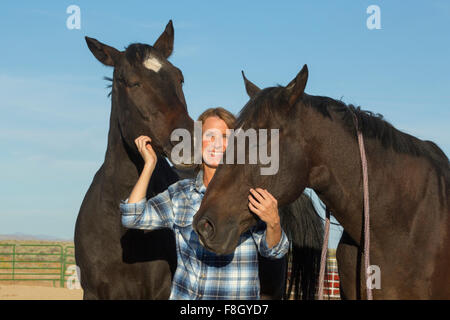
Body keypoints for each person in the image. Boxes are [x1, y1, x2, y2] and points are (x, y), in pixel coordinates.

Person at [119, 107, 289, 300]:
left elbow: (275, 251)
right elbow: (132, 217)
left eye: (225, 137)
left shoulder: (249, 195)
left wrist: (273, 222)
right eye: (210, 136)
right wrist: (150, 164)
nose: (217, 144)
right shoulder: (180, 194)